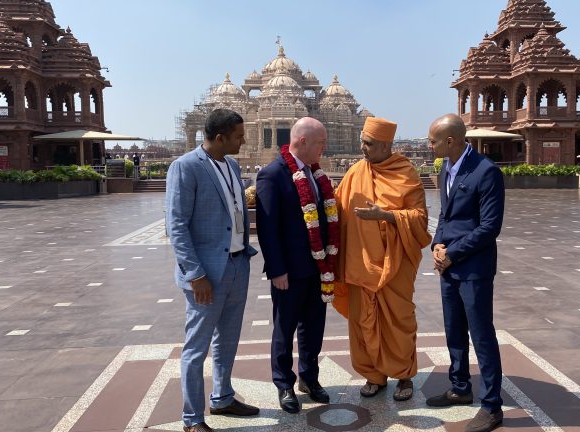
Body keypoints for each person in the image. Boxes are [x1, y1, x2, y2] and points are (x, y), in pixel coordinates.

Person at [165, 108, 259, 432]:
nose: (244, 140)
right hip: (205, 273)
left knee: (228, 339)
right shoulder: (186, 167)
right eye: (238, 136)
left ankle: (223, 396)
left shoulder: (231, 165)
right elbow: (176, 226)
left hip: (236, 264)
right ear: (220, 137)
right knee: (196, 347)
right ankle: (192, 419)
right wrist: (195, 274)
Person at [332, 117, 431, 402]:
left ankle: (404, 376)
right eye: (362, 141)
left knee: (398, 320)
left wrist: (386, 216)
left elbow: (420, 221)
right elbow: (337, 209)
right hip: (359, 265)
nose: (362, 147)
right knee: (363, 322)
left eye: (369, 143)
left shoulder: (405, 174)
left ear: (387, 145)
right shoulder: (354, 174)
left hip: (395, 265)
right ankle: (373, 376)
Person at [425, 114, 505, 432]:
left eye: (432, 141)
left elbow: (489, 227)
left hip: (474, 267)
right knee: (454, 330)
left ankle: (491, 406)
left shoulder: (486, 172)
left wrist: (452, 253)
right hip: (449, 265)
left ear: (450, 141)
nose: (427, 145)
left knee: (481, 335)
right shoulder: (446, 167)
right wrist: (437, 245)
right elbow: (446, 214)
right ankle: (460, 387)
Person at [255, 117, 338, 414]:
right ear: (302, 141)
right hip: (288, 271)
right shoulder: (272, 174)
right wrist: (277, 269)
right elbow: (267, 227)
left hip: (317, 268)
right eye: (320, 143)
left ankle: (309, 378)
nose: (324, 148)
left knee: (313, 328)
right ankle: (284, 383)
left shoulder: (315, 175)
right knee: (284, 329)